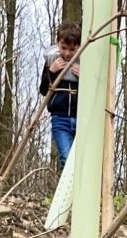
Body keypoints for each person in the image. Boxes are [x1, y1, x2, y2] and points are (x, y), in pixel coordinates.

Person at [39, 21, 81, 170]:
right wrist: (51, 71)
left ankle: (78, 191)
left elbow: (93, 92)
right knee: (66, 156)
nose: (67, 53)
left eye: (72, 49)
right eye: (64, 48)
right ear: (58, 44)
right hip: (60, 119)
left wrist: (83, 76)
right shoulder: (51, 62)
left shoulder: (84, 63)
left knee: (81, 159)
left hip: (81, 118)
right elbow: (43, 89)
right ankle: (68, 191)